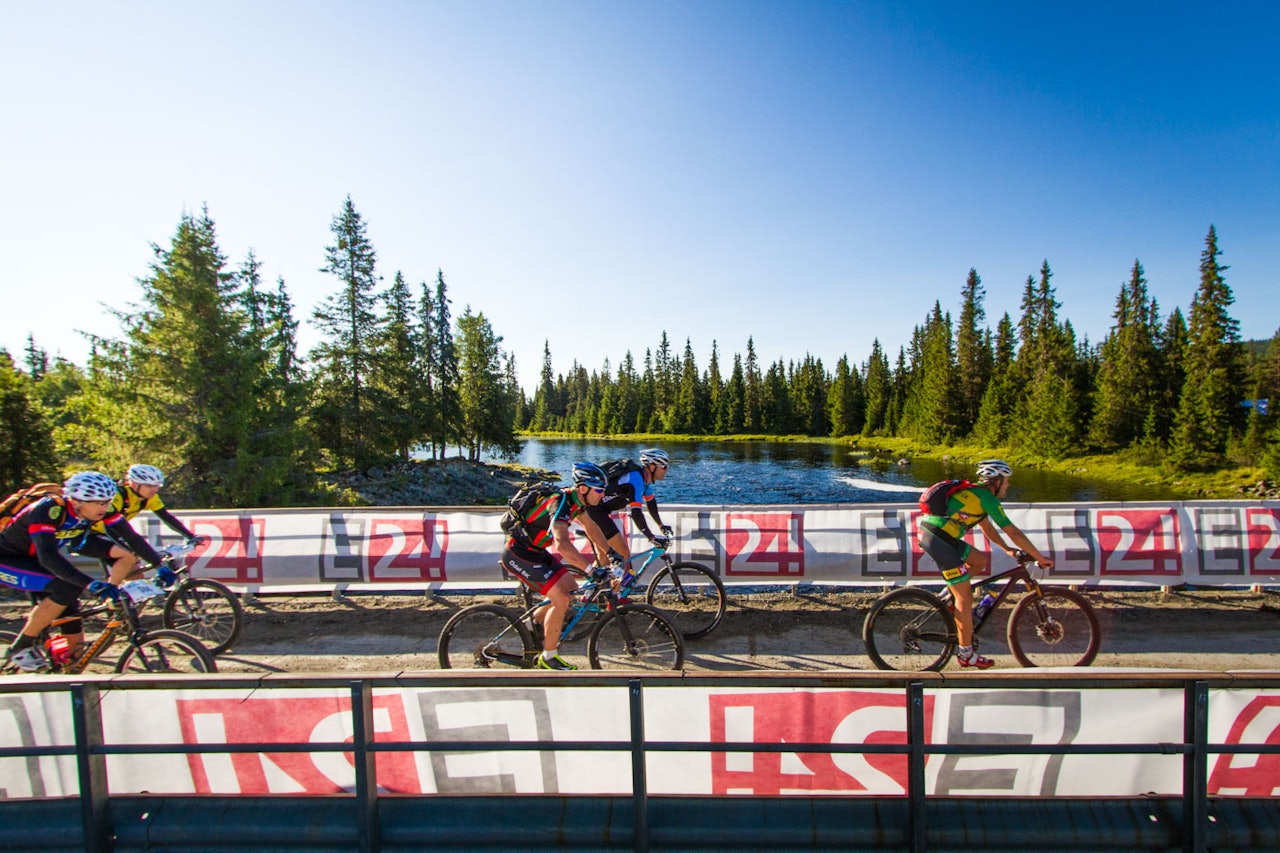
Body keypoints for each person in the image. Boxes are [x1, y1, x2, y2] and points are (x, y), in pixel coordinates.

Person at [1, 472, 169, 672]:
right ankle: (21, 646)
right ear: (77, 501)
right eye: (98, 503)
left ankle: (68, 676)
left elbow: (132, 538)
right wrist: (91, 584)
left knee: (73, 625)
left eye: (107, 502)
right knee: (66, 588)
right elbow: (48, 557)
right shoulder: (48, 509)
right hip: (9, 559)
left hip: (37, 562)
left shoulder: (95, 510)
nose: (104, 508)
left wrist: (160, 565)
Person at [917, 459, 1056, 669]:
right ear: (997, 482)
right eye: (1006, 482)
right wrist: (1038, 556)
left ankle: (948, 596)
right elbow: (1013, 531)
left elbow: (988, 530)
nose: (1008, 487)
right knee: (964, 597)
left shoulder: (976, 495)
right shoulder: (987, 498)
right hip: (939, 539)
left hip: (938, 535)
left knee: (979, 560)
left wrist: (1008, 549)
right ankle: (966, 655)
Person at [498, 462, 612, 671]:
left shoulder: (576, 501)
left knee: (570, 589)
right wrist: (590, 570)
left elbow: (591, 527)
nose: (603, 495)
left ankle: (530, 625)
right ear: (583, 488)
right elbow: (562, 544)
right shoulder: (560, 503)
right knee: (561, 599)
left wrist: (610, 553)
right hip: (518, 553)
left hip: (536, 552)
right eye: (599, 490)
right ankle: (548, 657)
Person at [76, 463, 204, 586]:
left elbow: (166, 517)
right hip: (94, 534)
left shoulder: (149, 497)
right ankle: (110, 594)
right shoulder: (117, 497)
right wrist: (126, 546)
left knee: (136, 579)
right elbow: (112, 528)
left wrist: (190, 535)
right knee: (129, 556)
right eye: (149, 486)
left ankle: (126, 605)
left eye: (157, 485)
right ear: (134, 484)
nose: (154, 489)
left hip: (113, 533)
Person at [585, 448, 674, 566]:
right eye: (664, 466)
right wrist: (652, 538)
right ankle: (611, 583)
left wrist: (661, 525)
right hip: (594, 510)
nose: (666, 470)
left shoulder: (644, 481)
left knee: (605, 558)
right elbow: (636, 514)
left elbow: (651, 504)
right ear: (652, 467)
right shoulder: (635, 479)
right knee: (623, 554)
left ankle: (596, 582)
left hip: (599, 511)